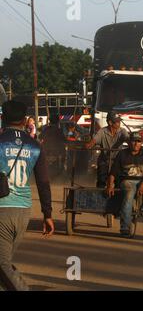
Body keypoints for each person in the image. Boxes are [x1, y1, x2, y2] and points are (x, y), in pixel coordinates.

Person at [0, 101, 54, 291]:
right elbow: (43, 182)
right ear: (24, 121)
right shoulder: (35, 145)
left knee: (2, 265)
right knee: (4, 263)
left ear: (1, 118)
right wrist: (47, 214)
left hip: (2, 210)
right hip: (23, 212)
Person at [106, 132, 143, 237]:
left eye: (138, 141)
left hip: (142, 182)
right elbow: (113, 172)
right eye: (134, 141)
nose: (136, 144)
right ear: (129, 142)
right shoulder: (122, 154)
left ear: (141, 143)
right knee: (129, 196)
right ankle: (125, 227)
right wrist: (110, 185)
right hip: (127, 182)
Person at [85, 111, 129, 188]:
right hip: (104, 160)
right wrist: (89, 144)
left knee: (119, 182)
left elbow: (127, 138)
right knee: (101, 181)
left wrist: (131, 141)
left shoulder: (122, 131)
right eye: (117, 122)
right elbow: (94, 140)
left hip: (117, 161)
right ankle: (99, 197)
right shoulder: (102, 131)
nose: (119, 123)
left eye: (119, 121)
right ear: (110, 122)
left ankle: (116, 198)